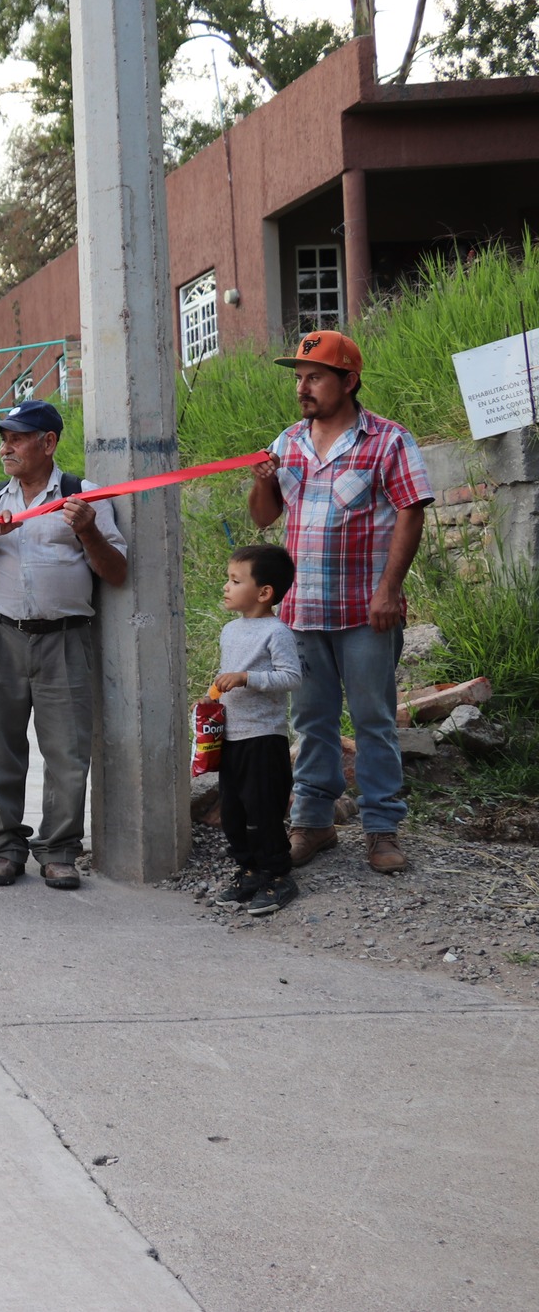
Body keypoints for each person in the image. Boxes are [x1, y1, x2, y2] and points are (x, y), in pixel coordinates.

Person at [248, 330, 433, 875]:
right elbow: (265, 518)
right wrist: (262, 482)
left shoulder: (388, 440)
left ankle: (381, 829)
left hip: (364, 611)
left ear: (348, 381)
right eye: (299, 378)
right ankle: (313, 822)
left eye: (315, 378)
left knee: (374, 719)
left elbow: (410, 512)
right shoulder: (287, 442)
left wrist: (389, 591)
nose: (303, 388)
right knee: (311, 719)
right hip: (302, 611)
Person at [0, 401, 128, 891]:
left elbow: (116, 573)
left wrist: (87, 529)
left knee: (68, 751)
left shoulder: (84, 496)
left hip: (65, 639)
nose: (5, 447)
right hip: (0, 635)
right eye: (2, 438)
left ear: (47, 443)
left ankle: (58, 851)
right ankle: (4, 848)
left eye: (16, 437)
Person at [208, 544, 305, 916]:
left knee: (263, 808)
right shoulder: (230, 630)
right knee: (232, 809)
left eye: (235, 581)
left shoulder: (276, 632)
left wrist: (247, 677)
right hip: (231, 735)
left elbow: (291, 677)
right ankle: (248, 869)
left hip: (263, 737)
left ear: (264, 592)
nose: (226, 587)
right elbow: (224, 677)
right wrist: (210, 701)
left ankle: (278, 876)